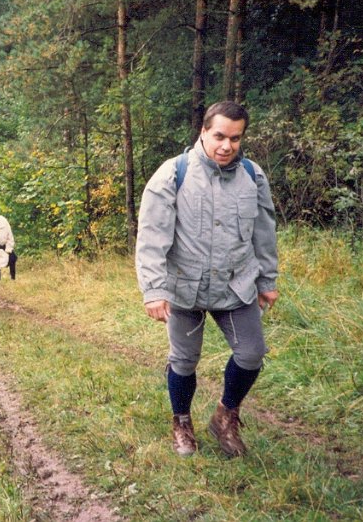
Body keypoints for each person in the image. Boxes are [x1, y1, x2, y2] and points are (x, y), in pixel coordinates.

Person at [134, 101, 279, 458]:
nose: (226, 145)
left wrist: (266, 279)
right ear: (203, 131)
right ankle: (181, 422)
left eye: (235, 138)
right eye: (219, 136)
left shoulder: (253, 176)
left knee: (252, 353)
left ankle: (226, 415)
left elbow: (264, 230)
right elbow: (152, 236)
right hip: (185, 288)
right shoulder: (173, 174)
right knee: (183, 361)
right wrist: (154, 289)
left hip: (237, 285)